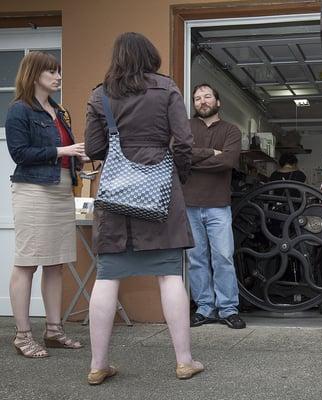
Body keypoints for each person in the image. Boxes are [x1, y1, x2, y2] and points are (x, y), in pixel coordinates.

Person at [85, 32, 202, 384]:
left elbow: (93, 147)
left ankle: (97, 365)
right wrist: (177, 175)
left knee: (107, 277)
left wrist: (122, 157)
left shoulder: (99, 93)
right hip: (160, 193)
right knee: (169, 275)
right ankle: (184, 361)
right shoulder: (166, 89)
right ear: (150, 56)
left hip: (116, 198)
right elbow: (183, 141)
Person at [5, 51, 85, 359]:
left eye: (58, 71)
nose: (58, 76)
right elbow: (20, 153)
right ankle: (23, 336)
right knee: (27, 262)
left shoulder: (59, 111)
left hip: (61, 187)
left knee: (56, 262)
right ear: (34, 74)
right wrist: (63, 149)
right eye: (52, 71)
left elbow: (61, 152)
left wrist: (76, 158)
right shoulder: (18, 111)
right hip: (33, 191)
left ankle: (54, 331)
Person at [183, 83, 245, 330]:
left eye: (207, 96)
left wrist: (195, 159)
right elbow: (180, 157)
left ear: (218, 102)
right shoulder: (186, 127)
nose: (202, 101)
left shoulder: (231, 130)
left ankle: (228, 309)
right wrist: (211, 153)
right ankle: (205, 308)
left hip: (219, 205)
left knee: (223, 258)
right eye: (198, 98)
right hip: (189, 205)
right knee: (196, 259)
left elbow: (228, 160)